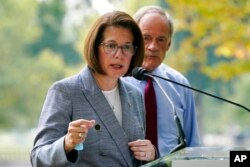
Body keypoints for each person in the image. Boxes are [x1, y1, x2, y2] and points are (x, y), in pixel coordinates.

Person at [30, 10, 156, 167]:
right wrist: (66, 143)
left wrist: (150, 154)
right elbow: (38, 158)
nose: (119, 55)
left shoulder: (135, 95)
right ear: (95, 47)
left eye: (127, 47)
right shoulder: (65, 91)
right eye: (111, 46)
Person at [124, 6, 201, 157]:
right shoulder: (115, 80)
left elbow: (193, 145)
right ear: (133, 40)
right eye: (146, 38)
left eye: (160, 40)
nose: (153, 46)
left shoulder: (180, 84)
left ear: (169, 45)